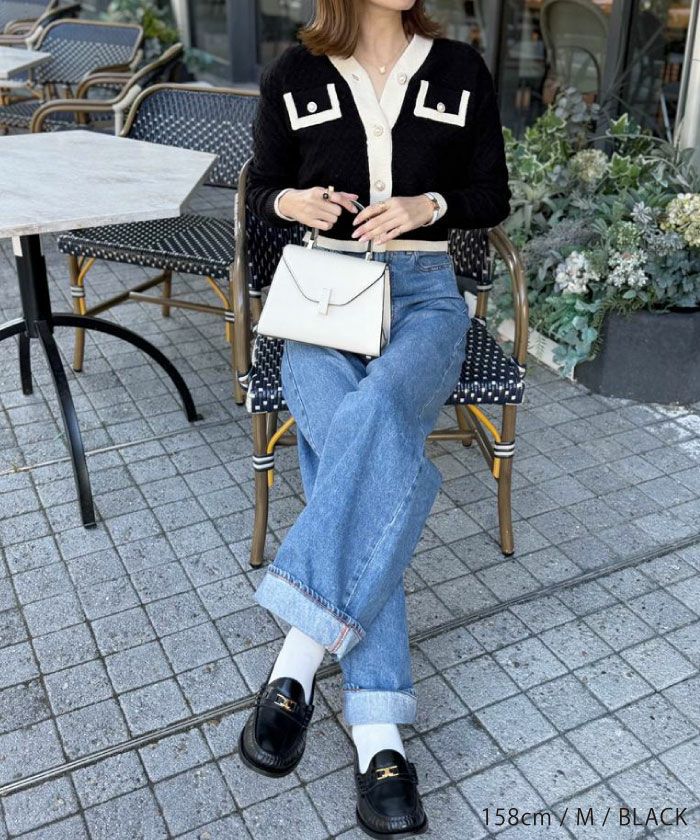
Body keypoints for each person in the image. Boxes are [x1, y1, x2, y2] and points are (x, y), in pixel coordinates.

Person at [238, 1, 511, 836]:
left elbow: (491, 194)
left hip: (427, 298)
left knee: (379, 413)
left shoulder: (460, 68)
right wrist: (293, 204)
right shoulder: (294, 74)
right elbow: (261, 200)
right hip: (320, 300)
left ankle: (296, 659)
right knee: (377, 444)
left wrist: (430, 206)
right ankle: (378, 734)